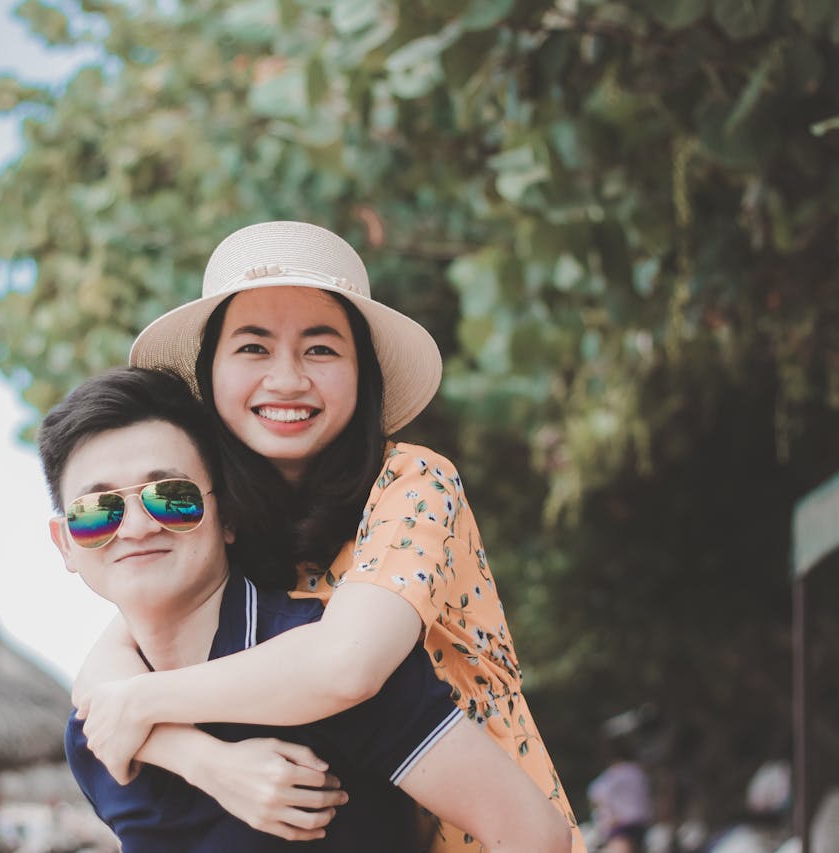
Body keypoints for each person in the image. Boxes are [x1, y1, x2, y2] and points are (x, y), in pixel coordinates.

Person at [73, 221, 585, 852]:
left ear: (361, 373)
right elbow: (103, 678)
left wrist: (143, 703)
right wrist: (209, 763)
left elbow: (348, 666)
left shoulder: (412, 482)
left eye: (320, 349)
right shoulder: (218, 515)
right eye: (254, 348)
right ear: (209, 376)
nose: (286, 379)